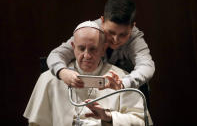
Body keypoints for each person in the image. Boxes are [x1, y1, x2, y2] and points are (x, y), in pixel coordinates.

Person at [24, 21, 152, 126]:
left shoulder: (119, 80)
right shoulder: (49, 79)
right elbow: (37, 123)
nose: (87, 55)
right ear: (73, 47)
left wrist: (108, 117)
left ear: (103, 49)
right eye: (81, 48)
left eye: (93, 49)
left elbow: (141, 122)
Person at [47, 0, 155, 91]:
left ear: (132, 27)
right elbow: (56, 54)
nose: (115, 40)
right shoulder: (90, 30)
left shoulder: (134, 37)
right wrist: (62, 72)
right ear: (102, 21)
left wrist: (123, 83)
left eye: (123, 35)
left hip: (124, 91)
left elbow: (147, 66)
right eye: (111, 32)